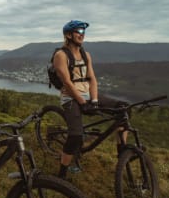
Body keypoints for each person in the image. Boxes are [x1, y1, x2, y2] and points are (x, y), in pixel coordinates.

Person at [53, 20, 128, 179]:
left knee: (123, 109)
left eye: (83, 31)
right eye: (78, 30)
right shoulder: (61, 55)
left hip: (88, 94)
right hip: (71, 98)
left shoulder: (86, 55)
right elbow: (67, 82)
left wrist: (94, 101)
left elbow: (92, 79)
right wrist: (82, 102)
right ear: (68, 35)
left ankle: (122, 153)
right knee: (75, 136)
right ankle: (61, 174)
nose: (82, 34)